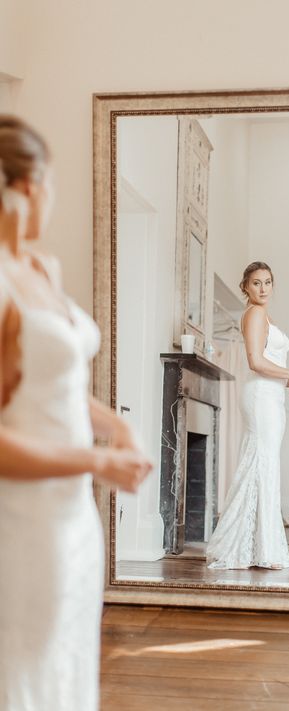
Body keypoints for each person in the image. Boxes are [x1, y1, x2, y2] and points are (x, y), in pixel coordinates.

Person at [0, 115, 153, 711]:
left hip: (73, 521)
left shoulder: (42, 270)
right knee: (24, 668)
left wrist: (119, 426)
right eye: (51, 183)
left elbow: (58, 385)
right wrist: (96, 460)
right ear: (28, 185)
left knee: (69, 664)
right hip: (22, 520)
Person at [206, 261, 289, 570]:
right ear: (245, 287)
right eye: (256, 283)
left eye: (268, 282)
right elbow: (256, 362)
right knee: (262, 464)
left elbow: (268, 363)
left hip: (269, 395)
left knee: (263, 464)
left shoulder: (263, 315)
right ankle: (260, 547)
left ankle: (260, 544)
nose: (263, 288)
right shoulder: (255, 313)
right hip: (260, 397)